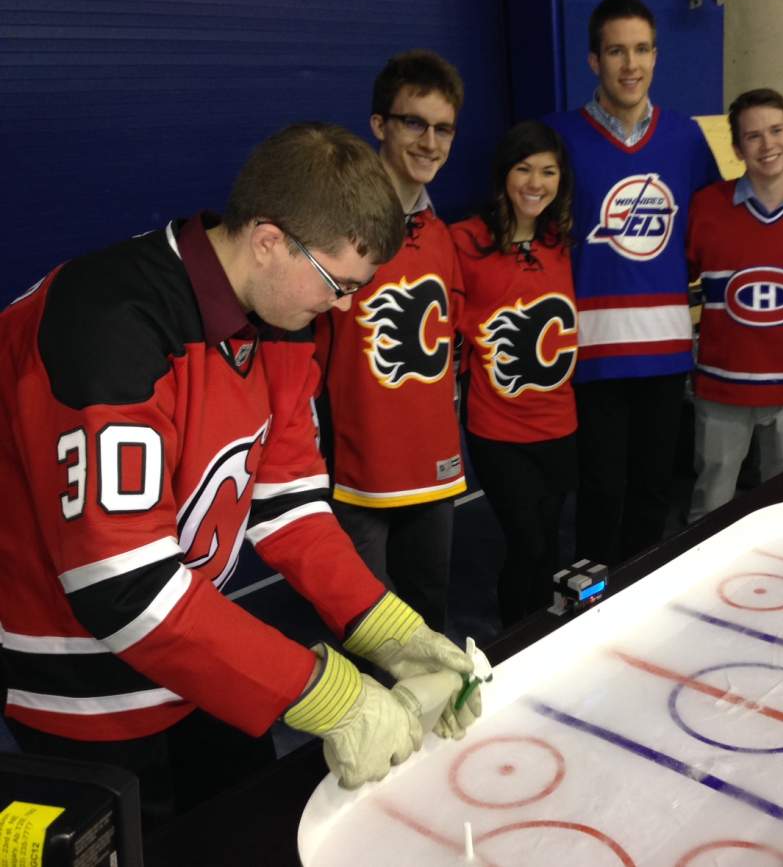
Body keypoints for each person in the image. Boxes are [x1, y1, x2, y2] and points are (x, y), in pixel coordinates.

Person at [0, 123, 478, 829]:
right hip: (83, 691)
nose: (346, 307)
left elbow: (291, 506)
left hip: (196, 657)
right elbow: (123, 587)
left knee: (252, 830)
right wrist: (329, 695)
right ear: (268, 240)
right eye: (340, 284)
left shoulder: (279, 315)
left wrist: (388, 628)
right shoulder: (107, 322)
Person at [543, 0, 721, 566]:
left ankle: (643, 587)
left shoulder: (685, 137)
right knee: (599, 491)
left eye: (642, 49)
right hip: (591, 352)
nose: (630, 64)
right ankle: (594, 598)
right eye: (617, 51)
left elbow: (721, 220)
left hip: (665, 350)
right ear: (594, 61)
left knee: (653, 490)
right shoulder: (557, 138)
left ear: (656, 56)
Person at [314, 51, 466, 631]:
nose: (430, 142)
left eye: (443, 129)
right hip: (355, 472)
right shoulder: (333, 224)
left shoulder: (440, 234)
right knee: (364, 629)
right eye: (414, 123)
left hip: (433, 466)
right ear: (379, 124)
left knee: (429, 618)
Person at [686, 88, 783, 521]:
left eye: (776, 131)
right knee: (711, 505)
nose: (767, 144)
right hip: (723, 385)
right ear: (737, 148)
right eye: (753, 136)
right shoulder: (706, 208)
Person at [451, 121, 578, 626]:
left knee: (548, 542)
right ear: (504, 174)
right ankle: (512, 637)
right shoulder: (465, 240)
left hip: (559, 424)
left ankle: (542, 631)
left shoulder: (562, 242)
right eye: (524, 169)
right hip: (498, 429)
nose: (535, 183)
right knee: (526, 540)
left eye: (548, 171)